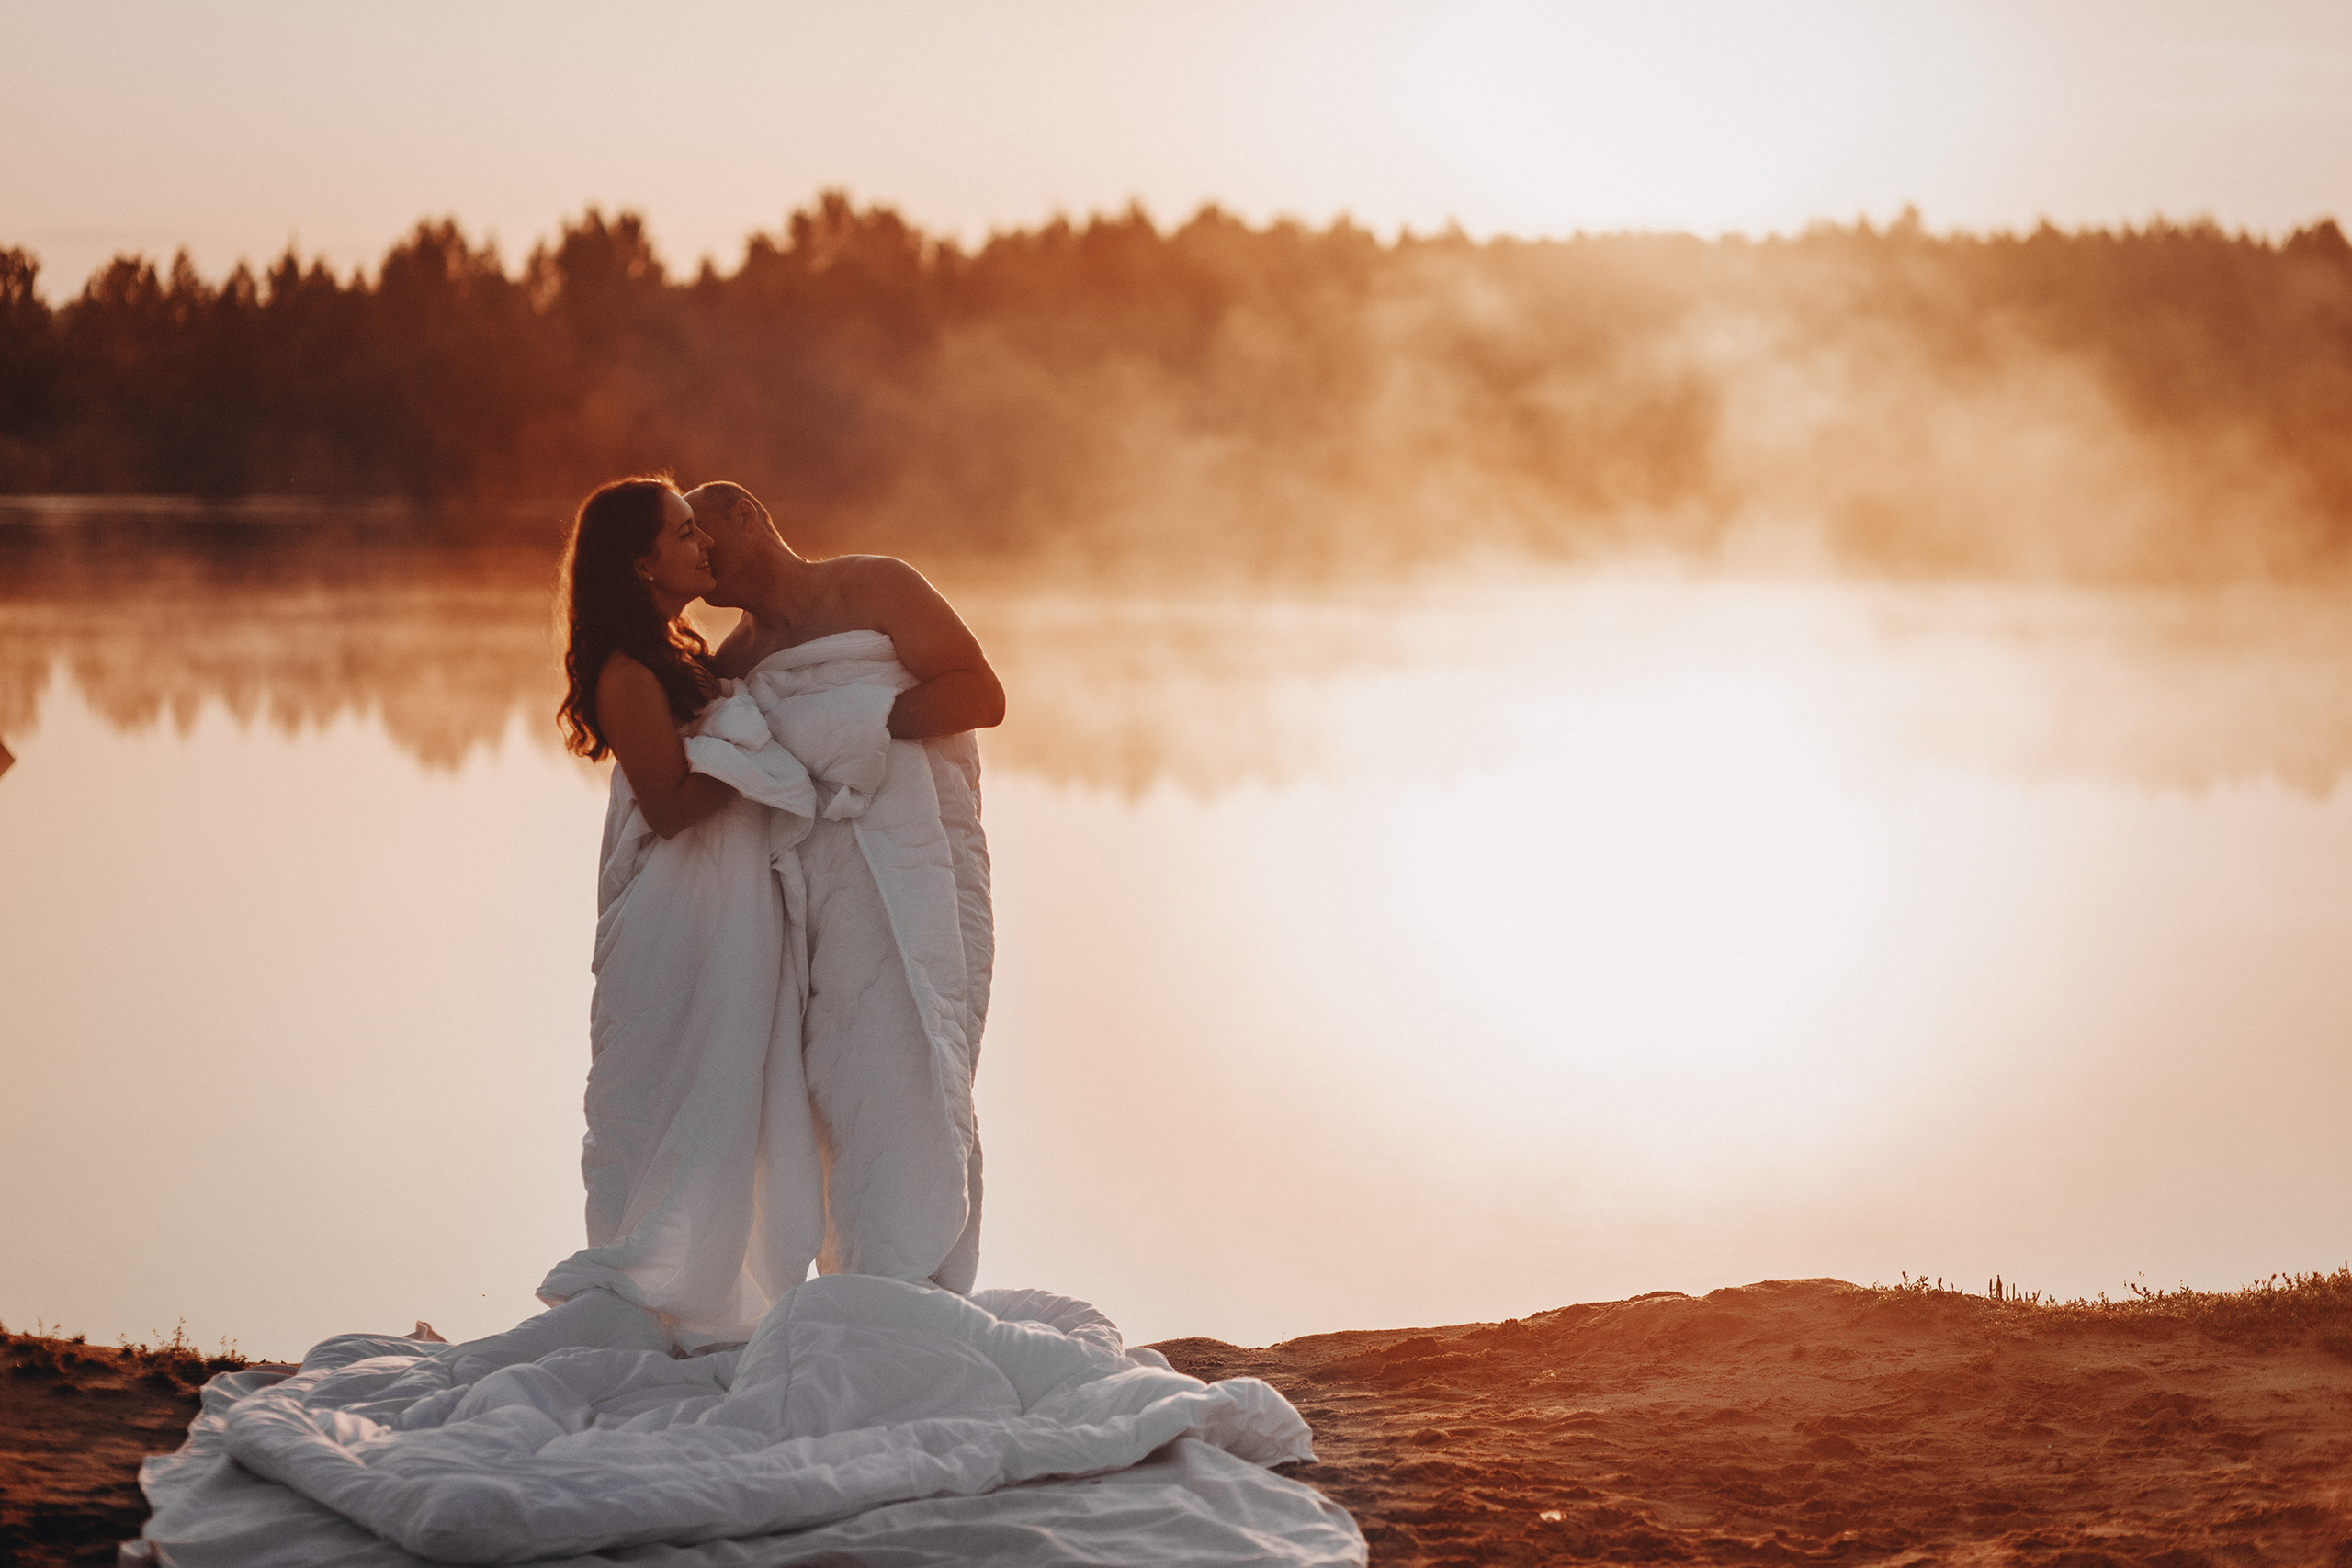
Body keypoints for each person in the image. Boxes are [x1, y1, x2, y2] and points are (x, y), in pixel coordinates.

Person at [538, 475, 1003, 1343]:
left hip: (916, 867)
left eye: (703, 531)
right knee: (824, 1092)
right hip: (799, 906)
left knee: (920, 1061)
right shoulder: (728, 661)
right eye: (685, 540)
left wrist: (848, 722)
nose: (703, 554)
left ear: (748, 514)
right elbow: (705, 778)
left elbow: (984, 695)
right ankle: (852, 1302)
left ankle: (917, 1293)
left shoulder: (876, 587)